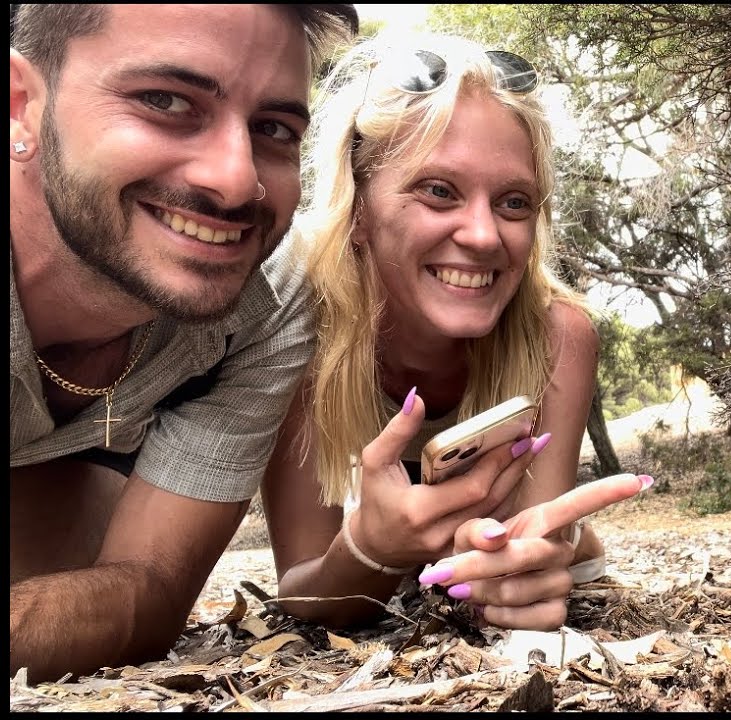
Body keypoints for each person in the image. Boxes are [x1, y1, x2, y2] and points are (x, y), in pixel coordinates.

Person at [8, 4, 358, 682]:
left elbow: (152, 587)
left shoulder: (267, 299)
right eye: (166, 101)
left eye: (273, 129)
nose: (236, 181)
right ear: (21, 104)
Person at [263, 31, 651, 632]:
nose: (484, 236)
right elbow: (305, 594)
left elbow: (522, 551)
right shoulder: (298, 329)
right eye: (438, 191)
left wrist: (524, 563)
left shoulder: (559, 336)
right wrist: (370, 547)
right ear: (358, 209)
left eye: (514, 202)